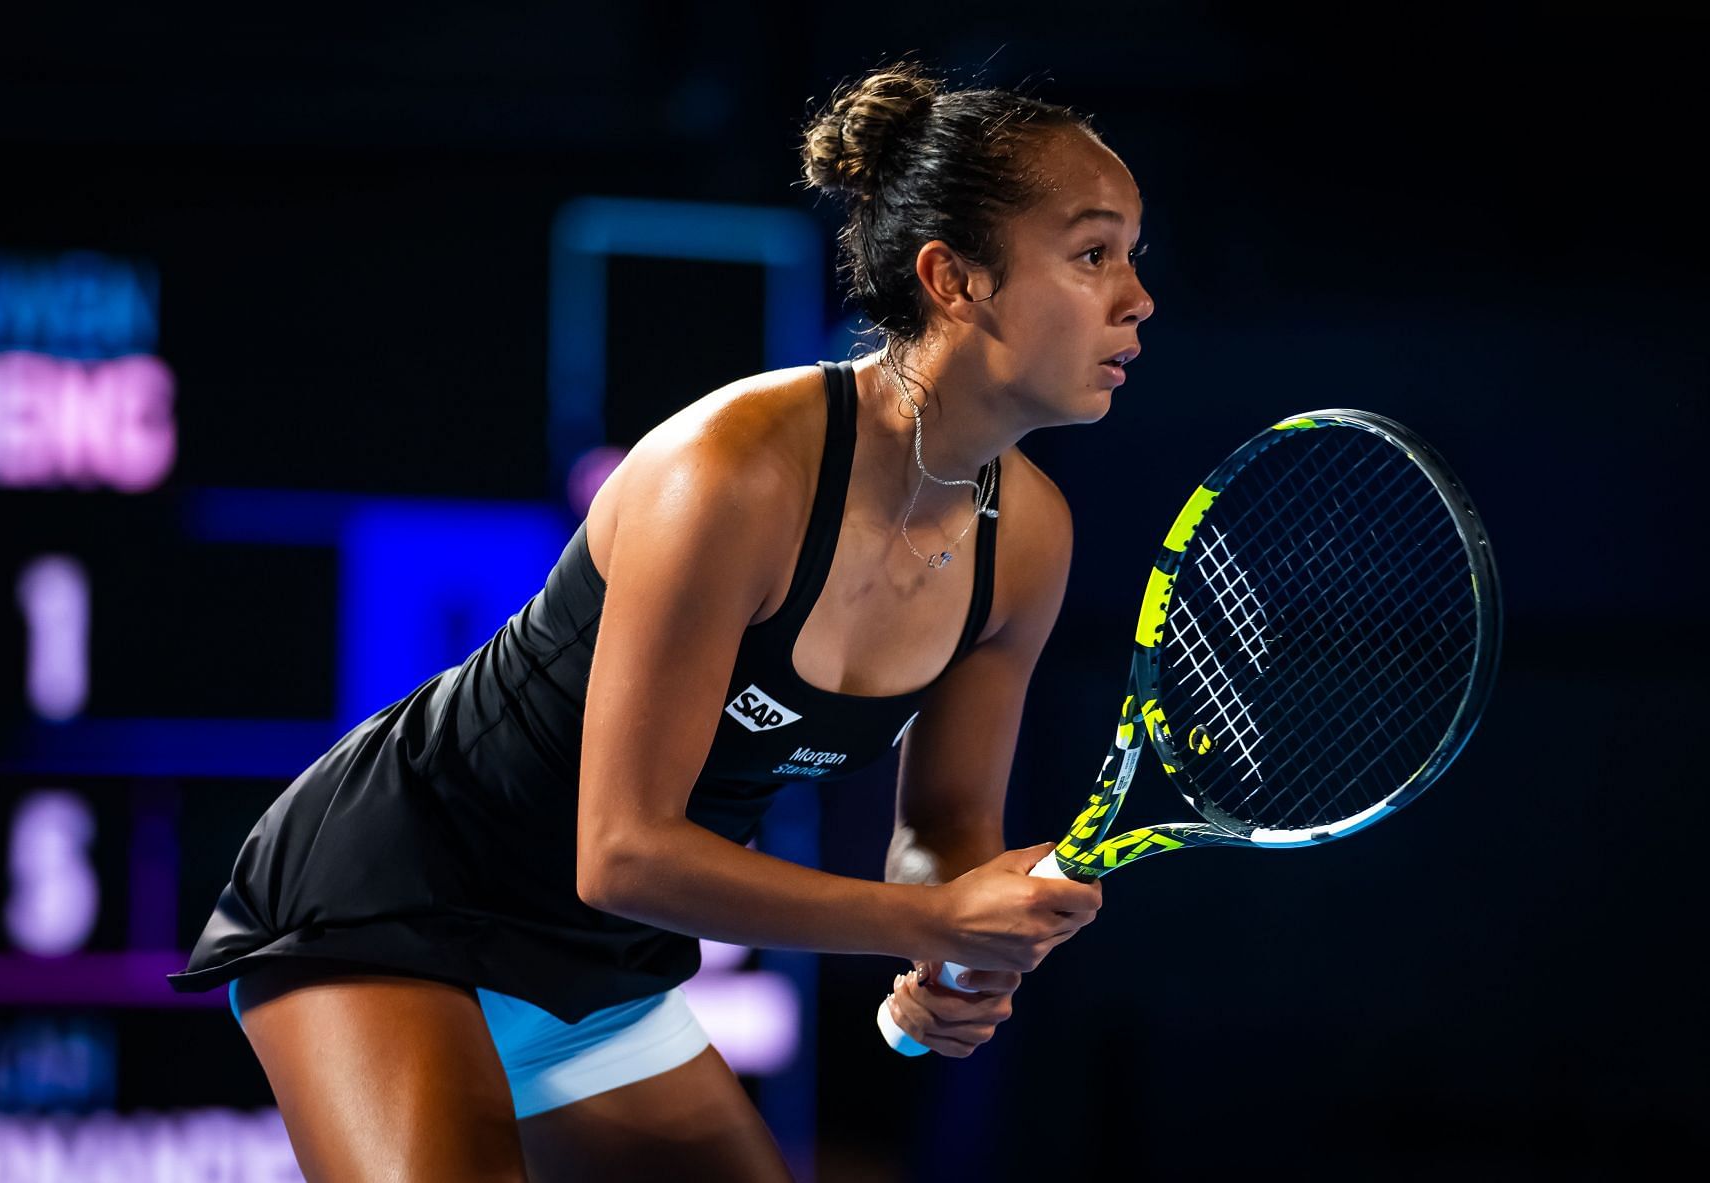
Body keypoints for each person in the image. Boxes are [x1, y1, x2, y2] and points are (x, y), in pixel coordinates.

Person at [168, 60, 1152, 1181]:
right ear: (954, 277)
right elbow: (623, 850)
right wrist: (923, 924)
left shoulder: (1028, 539)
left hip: (600, 967)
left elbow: (943, 827)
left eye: (1132, 256)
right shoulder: (737, 469)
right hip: (396, 897)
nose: (1136, 296)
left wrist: (961, 950)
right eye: (1091, 254)